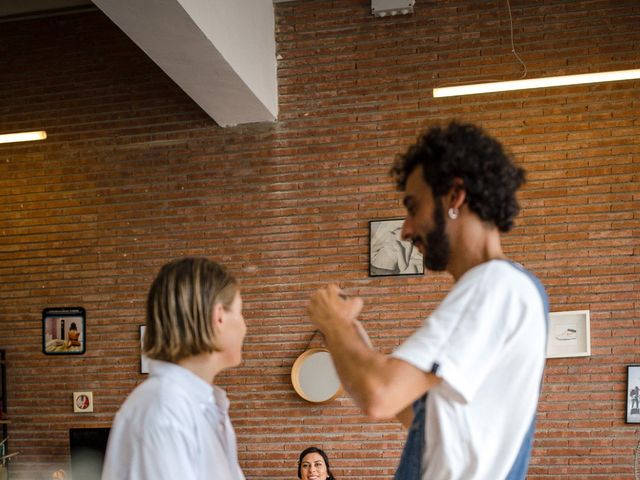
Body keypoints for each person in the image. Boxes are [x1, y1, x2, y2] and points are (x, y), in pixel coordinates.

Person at [308, 121, 548, 480]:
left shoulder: (494, 284)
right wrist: (350, 334)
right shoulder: (511, 289)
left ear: (455, 196)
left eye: (413, 207)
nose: (405, 229)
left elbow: (379, 396)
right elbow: (411, 412)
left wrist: (334, 324)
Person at [102, 257, 247, 480]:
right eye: (240, 313)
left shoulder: (201, 405)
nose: (244, 326)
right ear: (218, 317)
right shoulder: (164, 410)